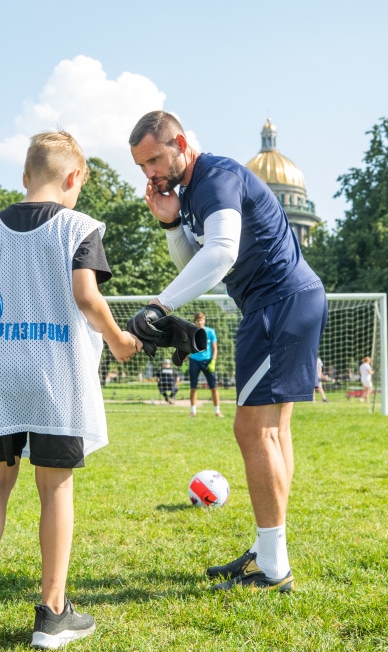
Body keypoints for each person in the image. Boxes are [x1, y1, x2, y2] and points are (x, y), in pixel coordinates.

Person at [0, 130, 141, 649]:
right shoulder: (79, 227)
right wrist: (120, 340)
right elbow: (87, 296)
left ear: (25, 176)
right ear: (74, 177)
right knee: (54, 487)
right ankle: (53, 612)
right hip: (56, 374)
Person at [129, 111, 326, 593]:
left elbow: (221, 253)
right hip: (285, 301)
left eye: (154, 160)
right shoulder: (192, 192)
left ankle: (273, 568)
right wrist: (171, 224)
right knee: (274, 431)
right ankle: (268, 551)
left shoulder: (215, 177)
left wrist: (160, 305)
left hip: (278, 303)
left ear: (180, 143)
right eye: (141, 166)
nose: (150, 174)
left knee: (252, 430)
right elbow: (196, 259)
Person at [186, 312, 222, 417]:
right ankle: (193, 411)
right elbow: (187, 347)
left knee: (213, 387)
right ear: (195, 321)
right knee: (193, 387)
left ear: (204, 320)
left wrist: (213, 361)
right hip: (194, 361)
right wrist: (185, 361)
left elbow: (215, 349)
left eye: (201, 320)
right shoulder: (191, 332)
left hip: (207, 361)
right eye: (198, 320)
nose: (200, 322)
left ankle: (217, 411)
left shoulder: (211, 332)